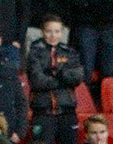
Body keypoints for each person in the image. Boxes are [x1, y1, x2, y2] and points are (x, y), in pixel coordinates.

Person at [25, 16, 84, 144]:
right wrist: (63, 79)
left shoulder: (69, 52)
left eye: (57, 31)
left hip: (67, 111)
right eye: (49, 31)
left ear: (62, 33)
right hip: (43, 112)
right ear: (42, 32)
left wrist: (55, 73)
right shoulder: (34, 53)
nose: (53, 35)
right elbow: (38, 81)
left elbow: (78, 77)